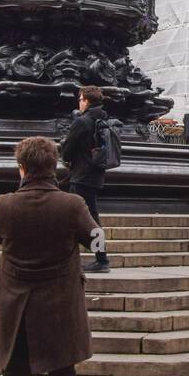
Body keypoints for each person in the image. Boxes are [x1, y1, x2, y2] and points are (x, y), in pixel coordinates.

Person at [0, 136, 100, 376]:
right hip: (60, 305)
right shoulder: (72, 204)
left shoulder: (2, 205)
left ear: (22, 168)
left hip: (15, 305)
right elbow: (96, 240)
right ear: (53, 166)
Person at [60, 85, 111, 273]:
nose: (79, 102)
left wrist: (64, 150)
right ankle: (99, 258)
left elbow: (68, 150)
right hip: (95, 174)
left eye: (80, 99)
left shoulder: (83, 122)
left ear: (86, 101)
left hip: (81, 175)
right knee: (90, 217)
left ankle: (101, 259)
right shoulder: (103, 119)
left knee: (85, 219)